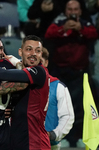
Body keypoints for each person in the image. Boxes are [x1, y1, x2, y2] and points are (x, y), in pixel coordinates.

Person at [0, 34, 51, 150]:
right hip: (19, 140)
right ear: (20, 52)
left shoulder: (39, 72)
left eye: (38, 51)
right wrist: (11, 108)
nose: (33, 53)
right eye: (29, 49)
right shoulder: (22, 73)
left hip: (35, 143)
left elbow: (1, 74)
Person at [45, 0, 98, 147]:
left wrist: (80, 29)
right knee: (60, 108)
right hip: (61, 73)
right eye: (70, 9)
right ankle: (61, 138)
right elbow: (48, 34)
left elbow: (94, 34)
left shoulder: (85, 24)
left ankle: (80, 138)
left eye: (75, 9)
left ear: (80, 11)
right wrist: (63, 29)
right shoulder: (59, 22)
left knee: (81, 107)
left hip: (80, 73)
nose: (73, 12)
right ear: (66, 11)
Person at [41, 47, 74, 150]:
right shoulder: (20, 85)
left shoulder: (58, 87)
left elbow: (68, 116)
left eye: (40, 62)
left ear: (46, 63)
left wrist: (53, 134)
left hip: (51, 145)